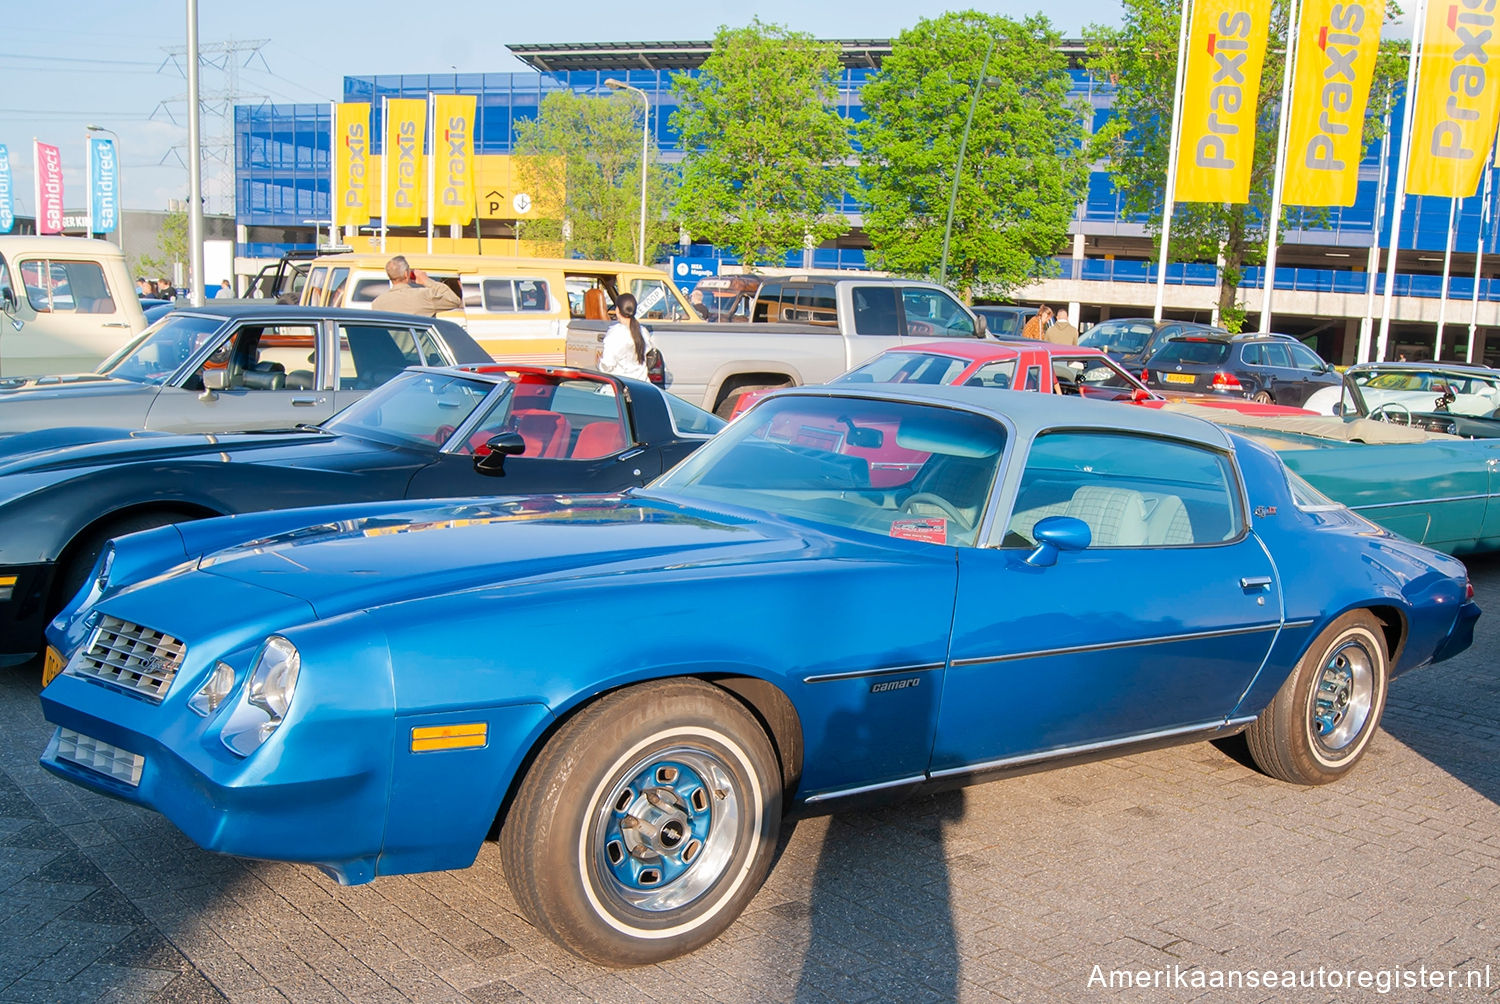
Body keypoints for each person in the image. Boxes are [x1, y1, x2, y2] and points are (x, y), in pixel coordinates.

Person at [370, 255, 461, 316]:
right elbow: (454, 300)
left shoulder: (377, 303)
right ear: (406, 274)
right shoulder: (424, 295)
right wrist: (426, 281)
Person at [598, 292, 654, 381]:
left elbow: (607, 365)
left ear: (617, 310)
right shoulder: (643, 331)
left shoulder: (615, 333)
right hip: (642, 384)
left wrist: (599, 361)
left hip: (621, 385)